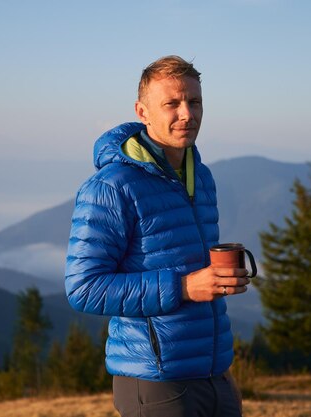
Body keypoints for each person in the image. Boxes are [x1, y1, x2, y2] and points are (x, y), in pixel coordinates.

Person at [65, 55, 250, 417]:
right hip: (155, 382)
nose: (186, 114)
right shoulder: (111, 186)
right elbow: (83, 288)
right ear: (142, 111)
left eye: (194, 102)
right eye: (172, 103)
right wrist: (184, 287)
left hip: (214, 375)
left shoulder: (203, 177)